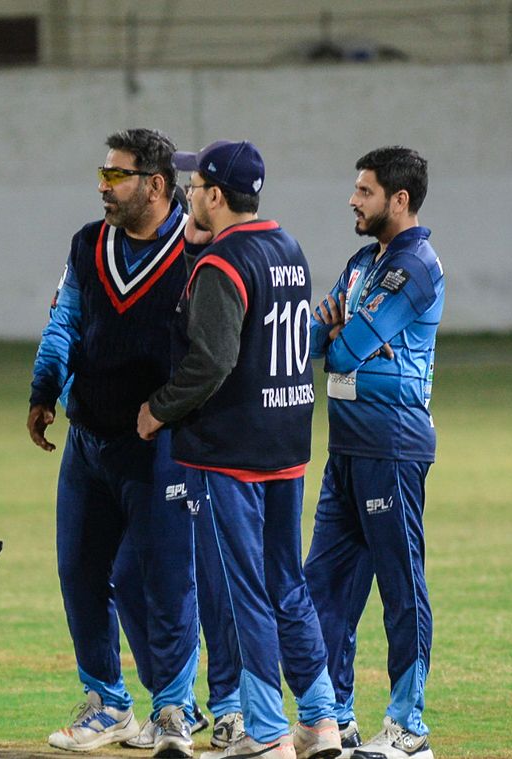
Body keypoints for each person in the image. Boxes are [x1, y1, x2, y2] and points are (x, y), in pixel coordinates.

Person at [137, 140, 342, 759]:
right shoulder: (287, 248)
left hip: (230, 452)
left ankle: (267, 732)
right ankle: (321, 720)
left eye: (195, 186)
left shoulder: (223, 264)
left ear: (217, 196)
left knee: (243, 588)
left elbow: (212, 360)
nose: (187, 194)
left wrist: (158, 409)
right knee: (286, 582)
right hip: (287, 442)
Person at [28, 128, 200, 758]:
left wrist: (172, 409)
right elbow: (65, 319)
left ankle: (176, 707)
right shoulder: (88, 242)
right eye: (102, 174)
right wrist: (45, 386)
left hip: (161, 444)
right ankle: (108, 704)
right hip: (89, 440)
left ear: (155, 185)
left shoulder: (195, 249)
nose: (102, 187)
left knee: (163, 578)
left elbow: (211, 352)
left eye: (114, 176)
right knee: (79, 571)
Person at [303, 147, 443, 759]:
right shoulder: (365, 262)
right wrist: (338, 331)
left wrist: (343, 331)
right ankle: (337, 717)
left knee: (400, 587)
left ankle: (409, 729)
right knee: (323, 587)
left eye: (364, 191)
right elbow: (315, 336)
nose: (353, 201)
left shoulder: (415, 267)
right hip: (347, 448)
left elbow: (343, 348)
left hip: (392, 445)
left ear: (399, 199)